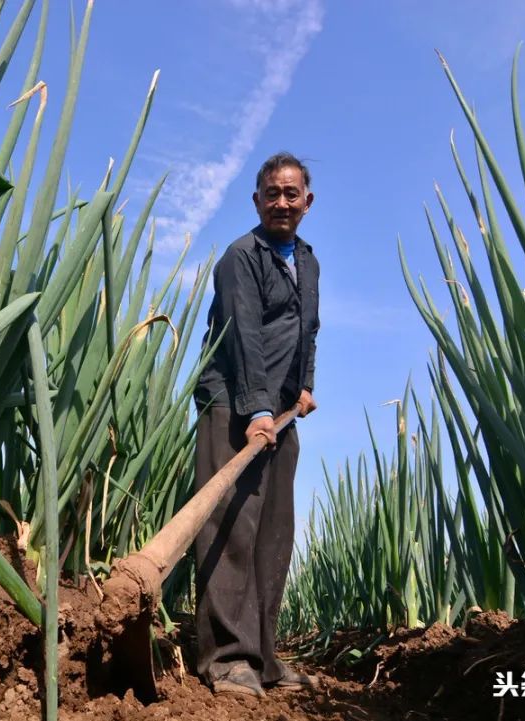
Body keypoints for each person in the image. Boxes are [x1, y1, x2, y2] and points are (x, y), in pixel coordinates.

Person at [192, 152, 320, 697]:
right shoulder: (240, 257)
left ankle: (264, 658)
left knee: (273, 531)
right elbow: (242, 335)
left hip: (281, 411)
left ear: (307, 202)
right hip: (233, 404)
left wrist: (305, 385)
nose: (282, 203)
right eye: (272, 193)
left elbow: (307, 328)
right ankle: (225, 658)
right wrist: (257, 410)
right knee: (231, 527)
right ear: (257, 200)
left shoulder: (308, 261)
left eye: (291, 194)